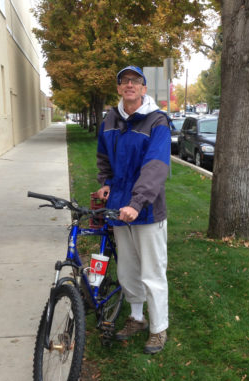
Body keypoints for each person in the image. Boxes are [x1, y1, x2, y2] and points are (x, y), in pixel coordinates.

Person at [96, 65, 170, 354]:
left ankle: (158, 328)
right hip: (119, 210)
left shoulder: (157, 121)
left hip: (146, 210)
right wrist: (105, 183)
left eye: (135, 81)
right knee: (127, 270)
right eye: (124, 80)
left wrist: (137, 203)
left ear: (143, 88)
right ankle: (136, 318)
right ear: (118, 88)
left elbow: (156, 166)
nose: (129, 85)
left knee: (152, 272)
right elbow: (104, 158)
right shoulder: (110, 120)